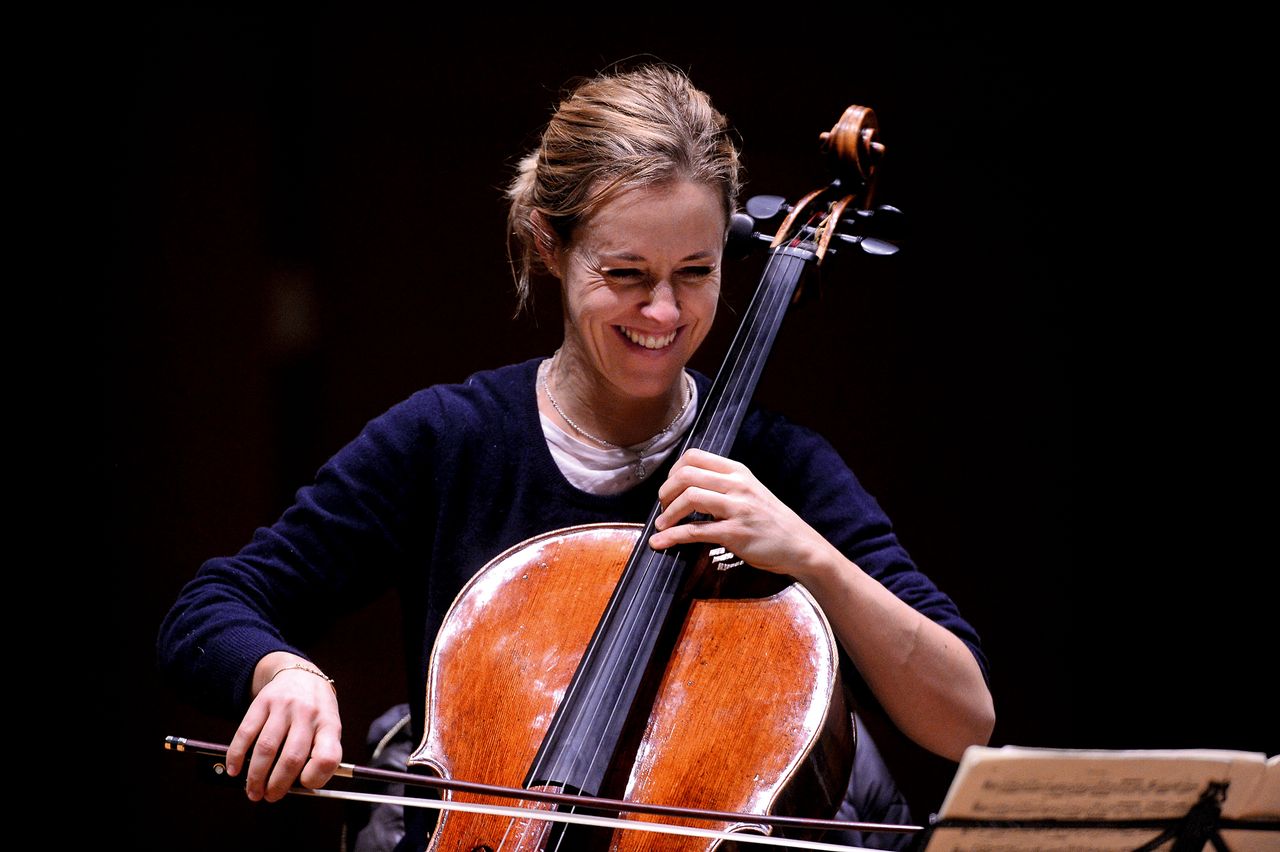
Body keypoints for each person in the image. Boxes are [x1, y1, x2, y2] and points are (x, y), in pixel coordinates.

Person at [157, 64, 995, 851]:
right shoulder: (449, 440)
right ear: (550, 246)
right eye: (625, 273)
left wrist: (811, 557)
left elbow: (965, 718)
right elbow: (212, 606)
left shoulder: (779, 468)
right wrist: (283, 672)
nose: (663, 311)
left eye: (696, 272)